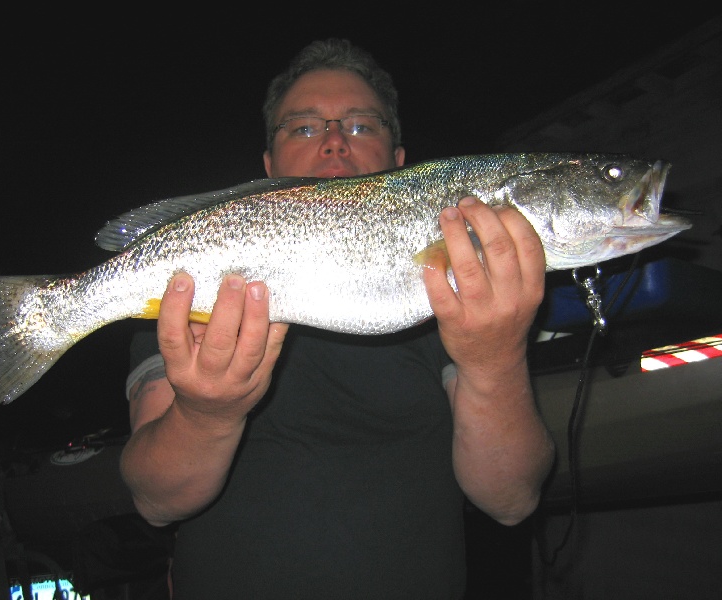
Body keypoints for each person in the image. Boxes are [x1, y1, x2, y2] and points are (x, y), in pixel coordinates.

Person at [119, 38, 555, 599]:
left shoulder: (463, 290)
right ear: (268, 166)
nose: (332, 144)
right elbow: (156, 502)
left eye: (361, 126)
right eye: (302, 128)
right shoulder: (195, 281)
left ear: (401, 163)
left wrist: (495, 359)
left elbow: (511, 500)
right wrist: (207, 414)